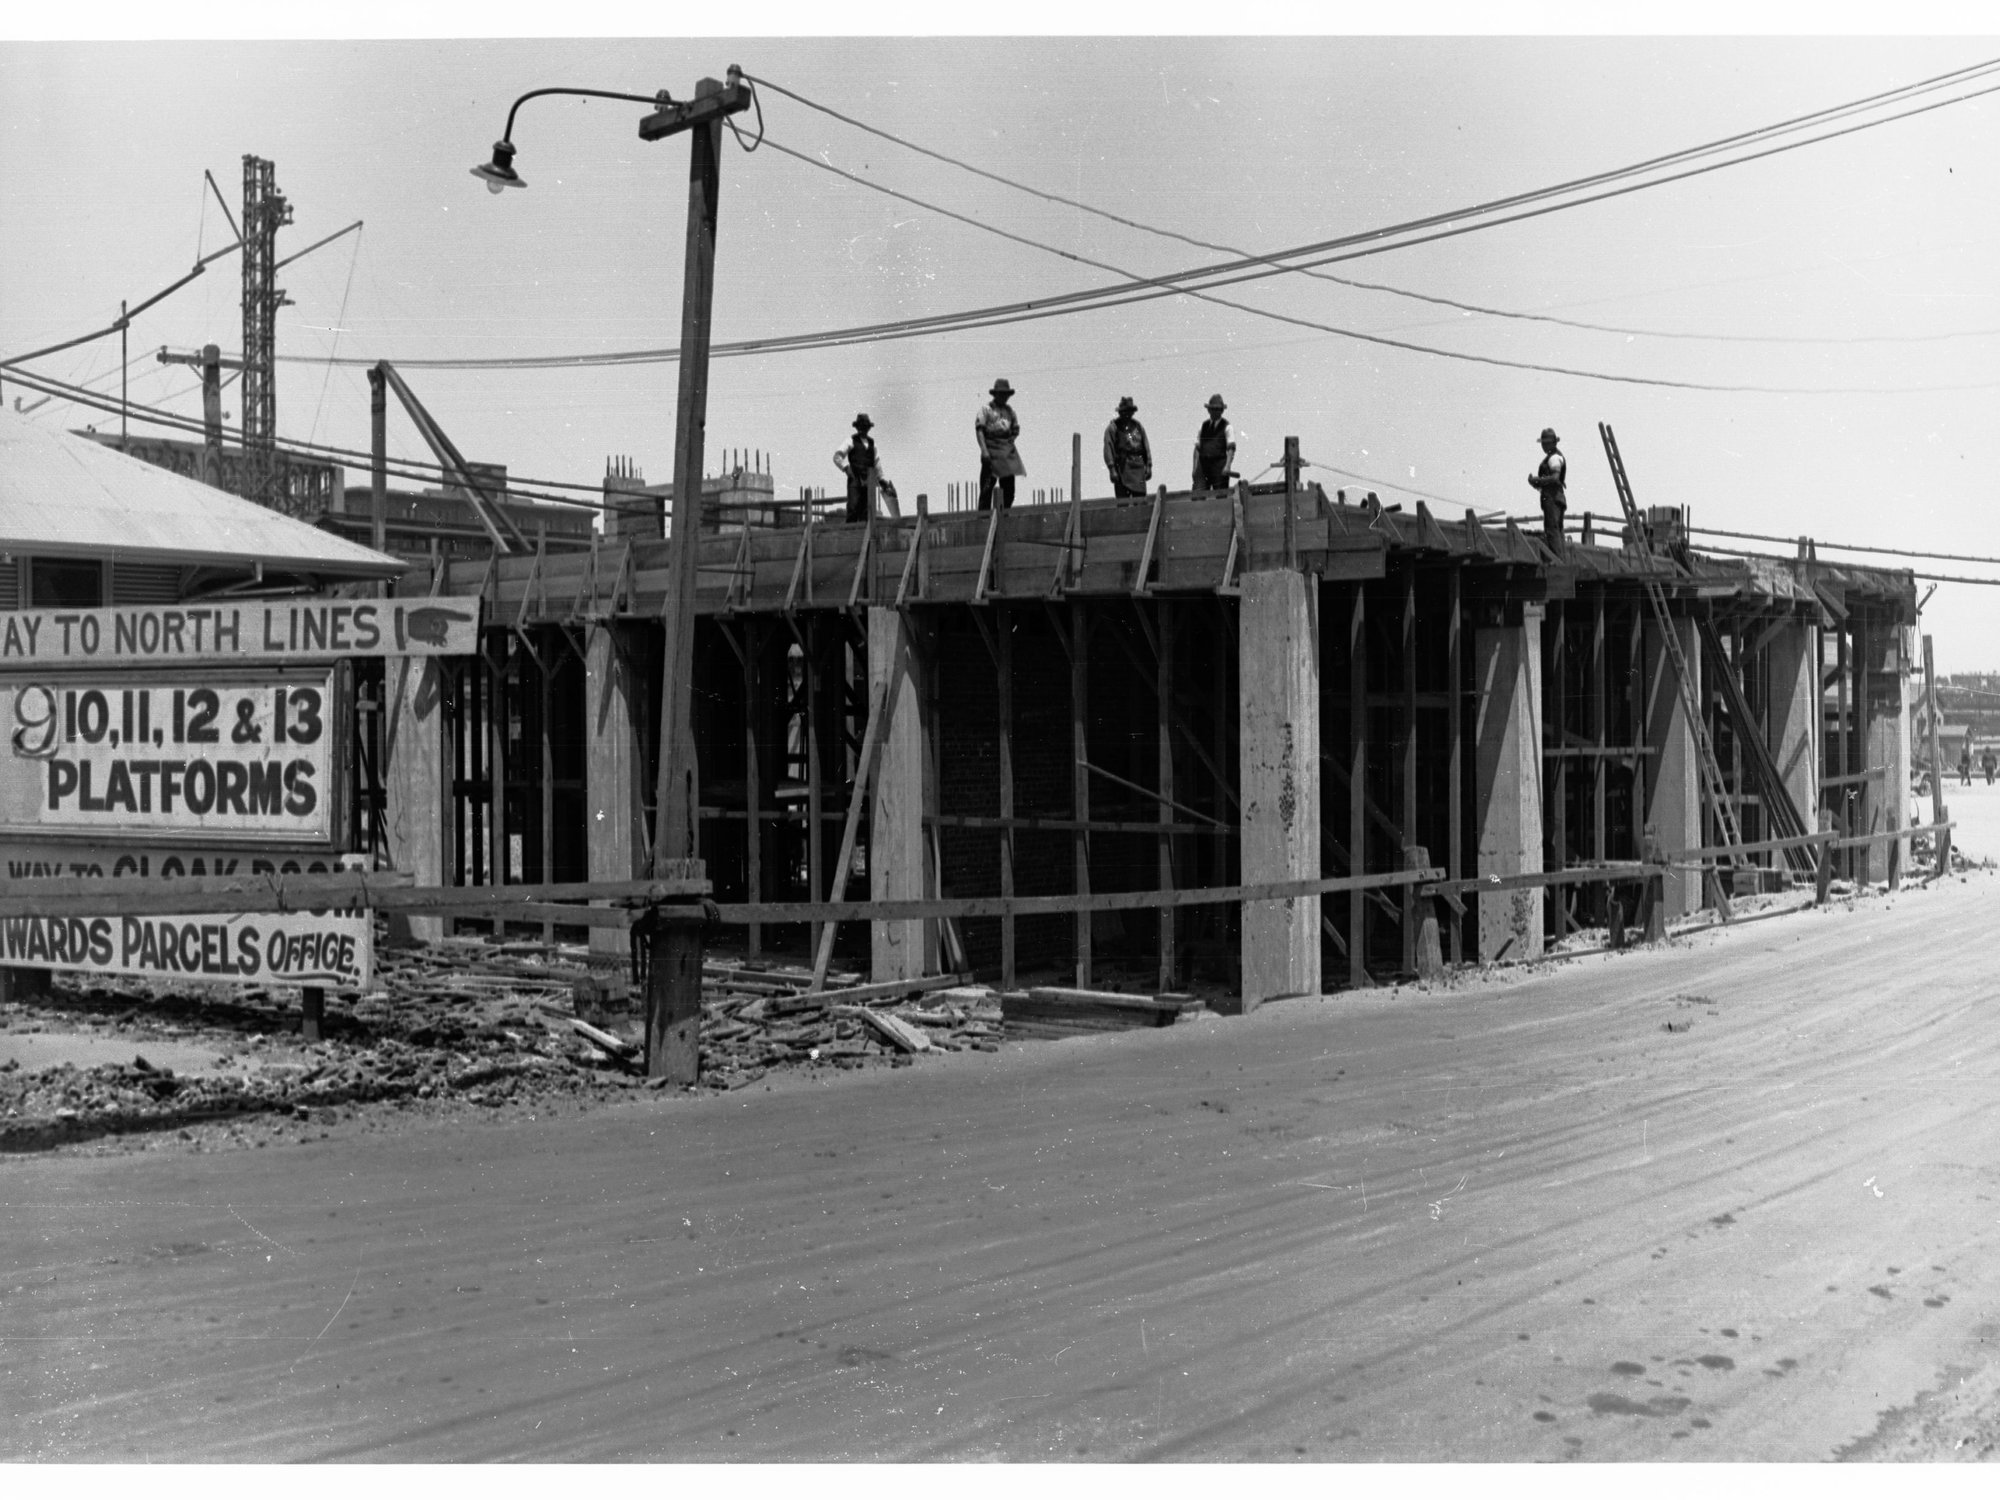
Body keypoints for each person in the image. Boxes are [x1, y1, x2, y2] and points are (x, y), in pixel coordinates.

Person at [975, 379, 1024, 510]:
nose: (1003, 397)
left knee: (1008, 491)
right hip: (990, 451)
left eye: (1005, 394)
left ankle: (1004, 516)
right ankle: (984, 520)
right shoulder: (986, 410)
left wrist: (1008, 445)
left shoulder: (1010, 412)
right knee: (986, 489)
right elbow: (979, 430)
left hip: (1005, 453)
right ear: (995, 394)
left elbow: (1015, 430)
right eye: (1001, 394)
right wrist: (984, 450)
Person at [833, 413, 879, 523]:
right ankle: (850, 533)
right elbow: (837, 456)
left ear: (868, 428)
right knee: (853, 507)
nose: (863, 429)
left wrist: (881, 479)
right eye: (861, 427)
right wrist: (846, 468)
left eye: (865, 427)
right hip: (855, 478)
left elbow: (877, 463)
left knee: (867, 510)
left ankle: (864, 535)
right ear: (857, 427)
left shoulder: (873, 444)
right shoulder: (850, 440)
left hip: (868, 480)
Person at [1103, 396, 1152, 498]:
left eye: (1129, 412)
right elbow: (1108, 448)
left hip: (1138, 468)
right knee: (1123, 504)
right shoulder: (1113, 428)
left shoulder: (1138, 426)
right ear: (1120, 412)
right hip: (1122, 468)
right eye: (1124, 412)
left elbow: (1145, 446)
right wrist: (1112, 469)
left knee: (1140, 502)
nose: (1127, 415)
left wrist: (1149, 465)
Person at [1528, 426, 1567, 551]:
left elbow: (1555, 477)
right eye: (1543, 444)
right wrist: (1536, 483)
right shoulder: (1552, 458)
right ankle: (1561, 561)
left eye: (1547, 443)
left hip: (1553, 498)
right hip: (1555, 497)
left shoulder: (1554, 458)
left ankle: (1558, 562)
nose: (1544, 446)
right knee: (1557, 531)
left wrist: (1538, 480)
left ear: (1554, 443)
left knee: (1552, 530)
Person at [1191, 393, 1235, 495]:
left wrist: (1227, 466)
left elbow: (1231, 448)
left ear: (1222, 411)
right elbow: (1197, 448)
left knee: (1220, 496)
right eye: (1213, 409)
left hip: (1219, 467)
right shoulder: (1203, 426)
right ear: (1209, 410)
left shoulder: (1227, 427)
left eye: (1218, 409)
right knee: (1198, 495)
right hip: (1203, 465)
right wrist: (1195, 469)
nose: (1216, 412)